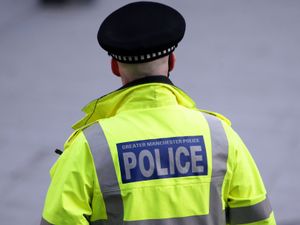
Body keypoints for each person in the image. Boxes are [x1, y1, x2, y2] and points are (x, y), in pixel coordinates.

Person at [40, 2, 276, 225]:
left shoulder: (90, 148)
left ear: (114, 67)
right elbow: (257, 218)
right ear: (172, 61)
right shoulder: (221, 138)